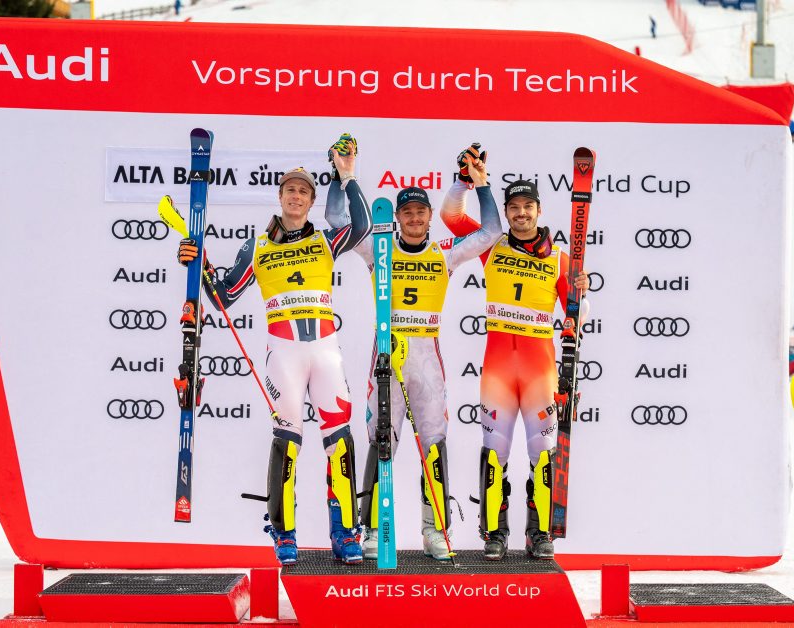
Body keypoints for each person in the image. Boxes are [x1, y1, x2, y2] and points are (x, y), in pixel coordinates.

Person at [176, 135, 373, 565]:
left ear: (311, 201)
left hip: (325, 352)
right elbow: (223, 297)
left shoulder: (325, 240)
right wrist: (198, 261)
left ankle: (345, 533)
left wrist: (347, 175)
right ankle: (284, 535)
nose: (296, 196)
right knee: (287, 440)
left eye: (303, 191)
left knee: (339, 440)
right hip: (283, 354)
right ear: (280, 197)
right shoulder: (258, 247)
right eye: (290, 190)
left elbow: (361, 227)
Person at [325, 143, 501, 560]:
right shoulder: (379, 246)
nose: (415, 219)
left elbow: (492, 233)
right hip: (387, 352)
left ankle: (435, 530)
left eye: (421, 212)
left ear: (428, 215)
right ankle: (371, 530)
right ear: (398, 217)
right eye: (408, 213)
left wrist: (480, 185)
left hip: (426, 354)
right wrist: (341, 175)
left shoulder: (445, 252)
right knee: (380, 440)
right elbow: (337, 220)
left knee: (434, 442)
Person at [441, 172, 590, 561]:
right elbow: (451, 217)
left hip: (539, 369)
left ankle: (540, 533)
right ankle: (494, 532)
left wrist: (581, 295)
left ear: (539, 210)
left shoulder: (560, 259)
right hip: (499, 370)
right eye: (514, 208)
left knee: (543, 454)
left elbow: (578, 314)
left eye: (528, 207)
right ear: (506, 212)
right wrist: (466, 182)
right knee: (495, 452)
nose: (521, 213)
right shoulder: (492, 245)